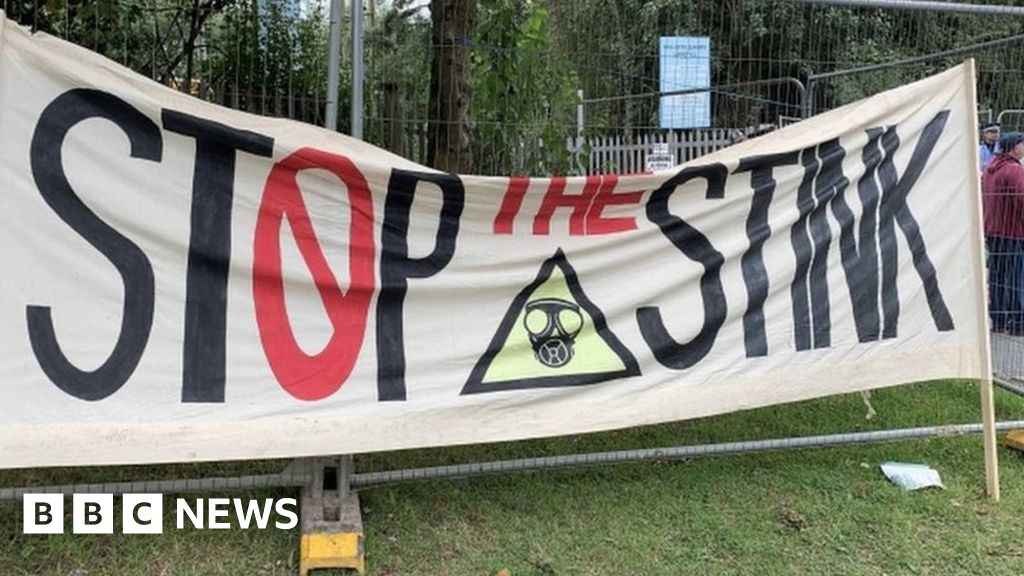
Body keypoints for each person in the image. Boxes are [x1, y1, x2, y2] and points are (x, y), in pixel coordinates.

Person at [982, 131, 1024, 334]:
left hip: (993, 231)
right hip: (1012, 231)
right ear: (1015, 147)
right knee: (1016, 278)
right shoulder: (1014, 170)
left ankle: (998, 319)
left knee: (997, 277)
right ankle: (1018, 323)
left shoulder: (990, 169)